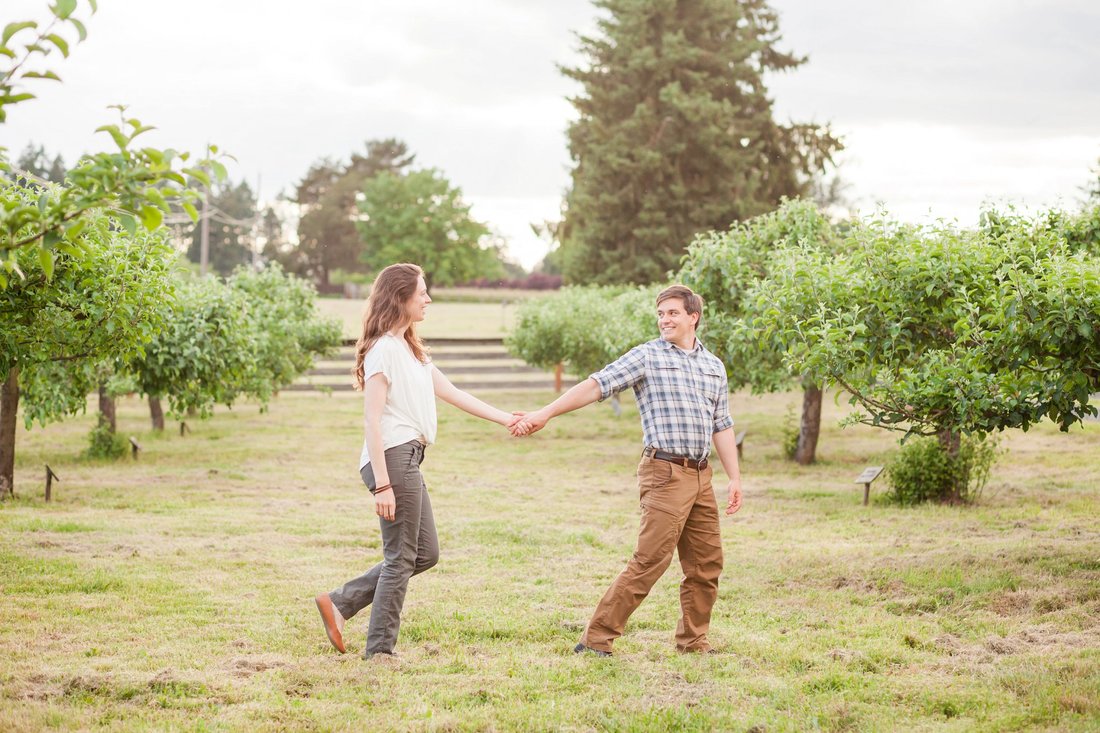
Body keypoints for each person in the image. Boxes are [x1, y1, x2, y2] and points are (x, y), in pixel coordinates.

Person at [513, 284, 742, 656]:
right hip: (664, 472)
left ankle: (693, 640)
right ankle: (596, 639)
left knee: (706, 564)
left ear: (693, 317)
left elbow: (722, 423)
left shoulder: (713, 366)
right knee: (651, 560)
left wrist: (734, 477)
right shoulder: (647, 357)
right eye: (661, 314)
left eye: (672, 313)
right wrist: (545, 413)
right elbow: (596, 385)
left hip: (702, 476)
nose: (664, 320)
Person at [315, 263, 524, 659]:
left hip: (406, 456)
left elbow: (455, 393)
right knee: (400, 557)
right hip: (391, 459)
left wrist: (507, 419)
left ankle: (341, 602)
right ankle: (379, 651)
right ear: (401, 298)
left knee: (424, 553)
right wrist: (382, 484)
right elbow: (371, 419)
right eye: (422, 292)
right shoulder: (384, 350)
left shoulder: (412, 350)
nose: (428, 299)